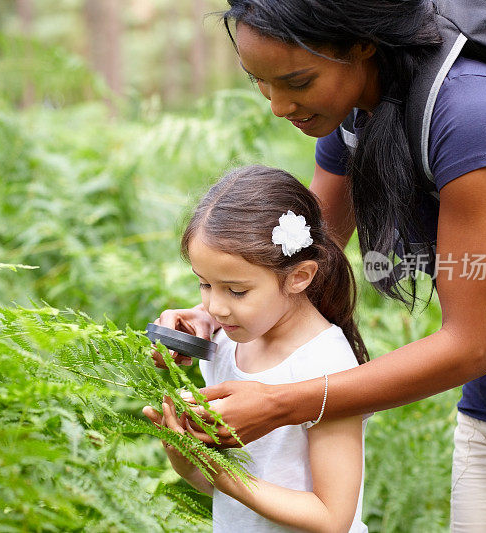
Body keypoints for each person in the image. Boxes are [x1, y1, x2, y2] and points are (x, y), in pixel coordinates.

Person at [152, 1, 486, 532]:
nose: (279, 105)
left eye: (297, 80)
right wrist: (215, 312)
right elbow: (295, 266)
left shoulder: (470, 114)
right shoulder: (355, 113)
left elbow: (470, 345)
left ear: (360, 45)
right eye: (261, 82)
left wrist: (282, 404)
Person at [144, 165, 369, 532]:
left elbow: (333, 517)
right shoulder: (226, 343)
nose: (214, 308)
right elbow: (229, 491)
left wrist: (221, 473)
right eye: (204, 284)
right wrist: (186, 457)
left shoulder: (325, 364)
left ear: (299, 277)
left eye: (236, 290)